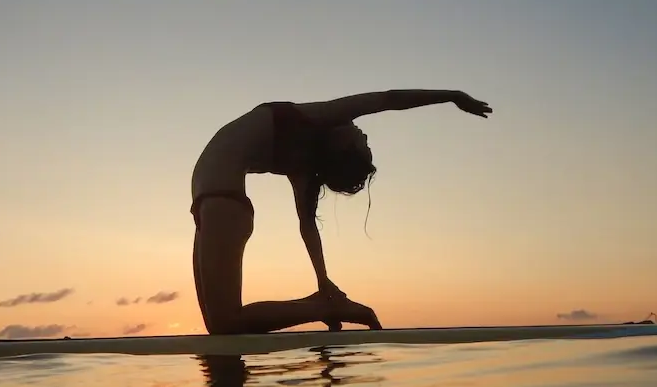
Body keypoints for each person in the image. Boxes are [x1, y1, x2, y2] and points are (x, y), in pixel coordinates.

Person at [190, 88, 493, 335]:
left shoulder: (320, 119)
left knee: (226, 323)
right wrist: (323, 281)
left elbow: (388, 99)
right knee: (219, 327)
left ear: (342, 147)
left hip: (222, 202)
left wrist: (451, 96)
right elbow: (307, 227)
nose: (364, 135)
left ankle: (324, 308)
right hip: (213, 204)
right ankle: (323, 304)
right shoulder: (303, 156)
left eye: (363, 144)